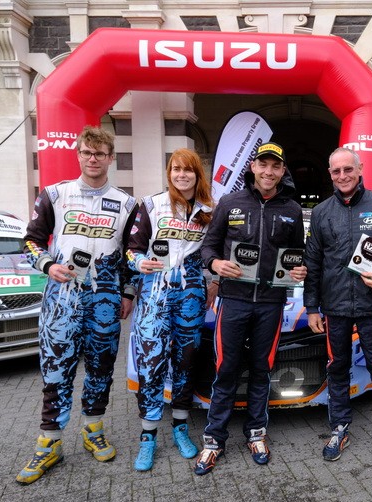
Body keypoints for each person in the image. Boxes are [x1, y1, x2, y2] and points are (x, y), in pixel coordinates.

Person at [17, 126, 138, 484]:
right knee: (56, 368)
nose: (93, 159)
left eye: (100, 153)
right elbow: (31, 241)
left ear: (110, 158)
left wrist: (129, 292)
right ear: (78, 155)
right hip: (63, 297)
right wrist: (46, 265)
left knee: (101, 368)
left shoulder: (127, 203)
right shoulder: (54, 194)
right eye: (87, 152)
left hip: (105, 297)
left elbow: (132, 256)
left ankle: (93, 430)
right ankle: (49, 442)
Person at [303, 147, 372, 480]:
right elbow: (312, 263)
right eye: (336, 171)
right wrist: (312, 307)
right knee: (336, 367)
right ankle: (339, 427)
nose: (342, 176)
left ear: (360, 168)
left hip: (371, 307)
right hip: (334, 308)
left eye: (348, 170)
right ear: (330, 173)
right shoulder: (322, 212)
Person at [195, 142, 307, 475]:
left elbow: (296, 254)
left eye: (276, 166)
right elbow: (208, 248)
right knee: (226, 369)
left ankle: (256, 433)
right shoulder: (230, 203)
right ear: (253, 167)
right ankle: (214, 440)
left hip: (271, 304)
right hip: (234, 301)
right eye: (263, 165)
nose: (269, 171)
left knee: (262, 369)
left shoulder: (292, 208)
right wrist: (215, 263)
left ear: (282, 171)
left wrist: (300, 271)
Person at [125, 148, 217, 471]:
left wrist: (214, 283)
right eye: (176, 169)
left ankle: (180, 427)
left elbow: (214, 252)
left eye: (188, 170)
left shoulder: (209, 210)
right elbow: (131, 250)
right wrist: (139, 261)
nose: (182, 175)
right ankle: (148, 436)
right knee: (151, 363)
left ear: (197, 174)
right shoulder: (152, 205)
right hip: (154, 294)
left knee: (186, 360)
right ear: (170, 173)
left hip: (191, 294)